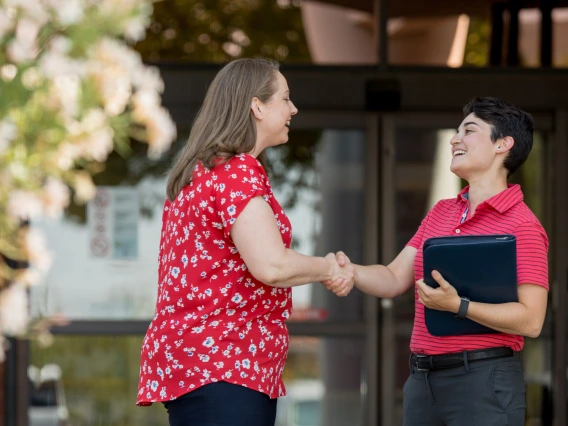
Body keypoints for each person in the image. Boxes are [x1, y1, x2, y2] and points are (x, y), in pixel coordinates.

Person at [136, 57, 356, 426]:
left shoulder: (200, 174)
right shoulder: (236, 172)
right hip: (226, 364)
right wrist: (328, 267)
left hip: (201, 367)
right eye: (285, 99)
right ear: (257, 105)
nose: (293, 108)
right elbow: (272, 265)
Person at [328, 97, 548, 426]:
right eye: (456, 131)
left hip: (484, 383)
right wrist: (350, 271)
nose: (455, 139)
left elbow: (531, 321)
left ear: (503, 144)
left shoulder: (523, 225)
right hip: (423, 382)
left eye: (469, 130)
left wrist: (458, 305)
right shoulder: (442, 212)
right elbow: (392, 278)